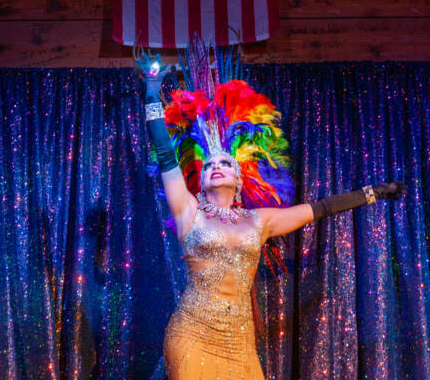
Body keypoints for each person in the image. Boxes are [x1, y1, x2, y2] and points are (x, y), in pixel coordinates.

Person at [135, 44, 405, 380]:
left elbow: (319, 209)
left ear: (238, 178)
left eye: (225, 163)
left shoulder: (259, 220)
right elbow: (164, 151)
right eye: (210, 165)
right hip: (192, 334)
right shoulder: (188, 210)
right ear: (201, 181)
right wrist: (150, 92)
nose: (217, 166)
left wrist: (373, 193)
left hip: (240, 342)